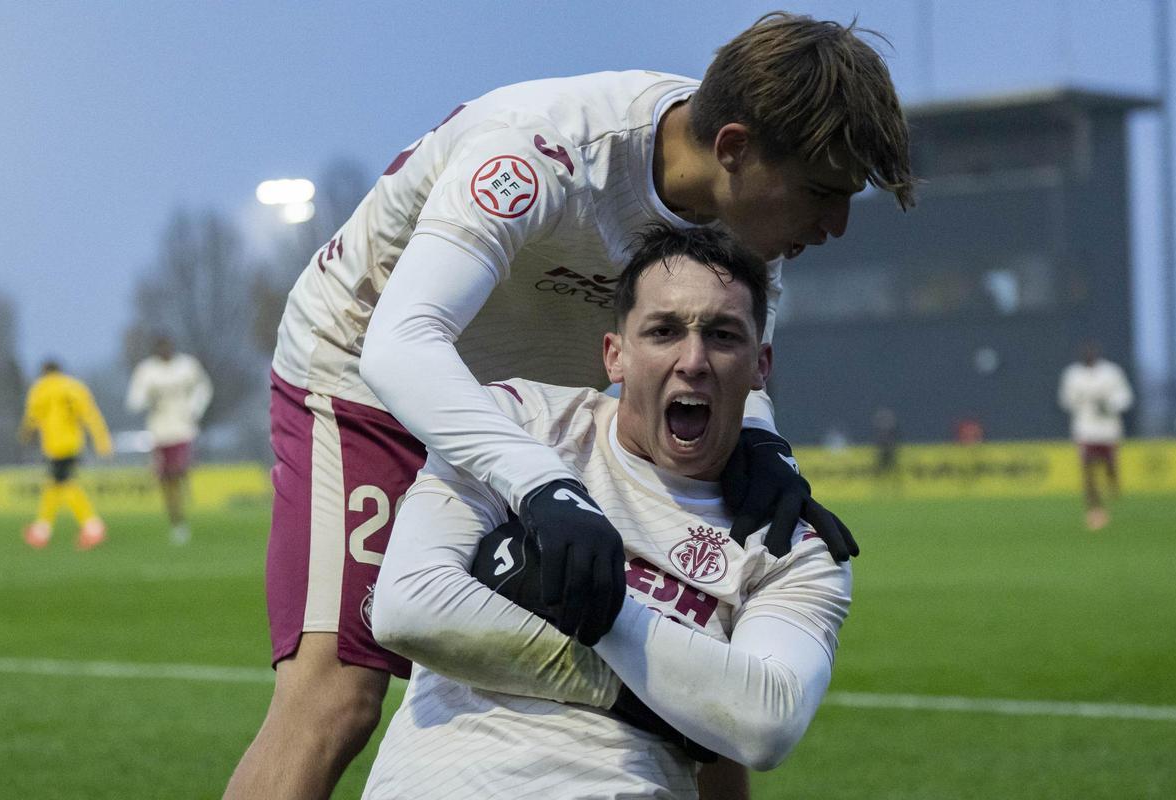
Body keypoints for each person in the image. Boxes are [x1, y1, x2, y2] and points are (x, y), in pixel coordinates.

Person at [225, 12, 910, 799]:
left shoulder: (743, 221)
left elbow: (740, 362)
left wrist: (764, 446)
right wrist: (541, 482)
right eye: (824, 193)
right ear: (732, 150)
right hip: (369, 368)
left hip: (541, 394)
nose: (837, 226)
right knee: (338, 697)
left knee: (708, 673)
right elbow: (403, 342)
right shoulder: (543, 149)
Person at [363, 224, 851, 799]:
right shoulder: (520, 425)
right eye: (664, 331)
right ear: (615, 356)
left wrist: (589, 602)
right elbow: (407, 607)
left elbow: (765, 722)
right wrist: (653, 700)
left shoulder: (794, 543)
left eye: (722, 335)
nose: (693, 360)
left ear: (760, 366)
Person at [126, 335, 213, 545]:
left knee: (178, 471)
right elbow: (133, 401)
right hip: (159, 431)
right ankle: (177, 521)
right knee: (166, 480)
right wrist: (147, 398)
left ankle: (183, 494)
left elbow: (204, 388)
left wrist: (194, 409)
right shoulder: (146, 371)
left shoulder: (187, 366)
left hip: (183, 429)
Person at [18, 360, 112, 550]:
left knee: (64, 484)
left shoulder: (40, 388)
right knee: (55, 484)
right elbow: (90, 414)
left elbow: (32, 416)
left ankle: (92, 526)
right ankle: (42, 529)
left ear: (44, 371)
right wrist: (102, 441)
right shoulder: (74, 387)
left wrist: (24, 435)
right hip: (73, 443)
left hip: (53, 444)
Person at [1058, 342, 1134, 530]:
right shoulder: (1072, 375)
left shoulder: (1111, 372)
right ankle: (1095, 509)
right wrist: (1082, 400)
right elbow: (1066, 400)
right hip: (1085, 428)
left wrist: (1109, 404)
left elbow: (1125, 396)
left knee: (1109, 466)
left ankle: (1112, 486)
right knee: (1088, 468)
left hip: (1108, 429)